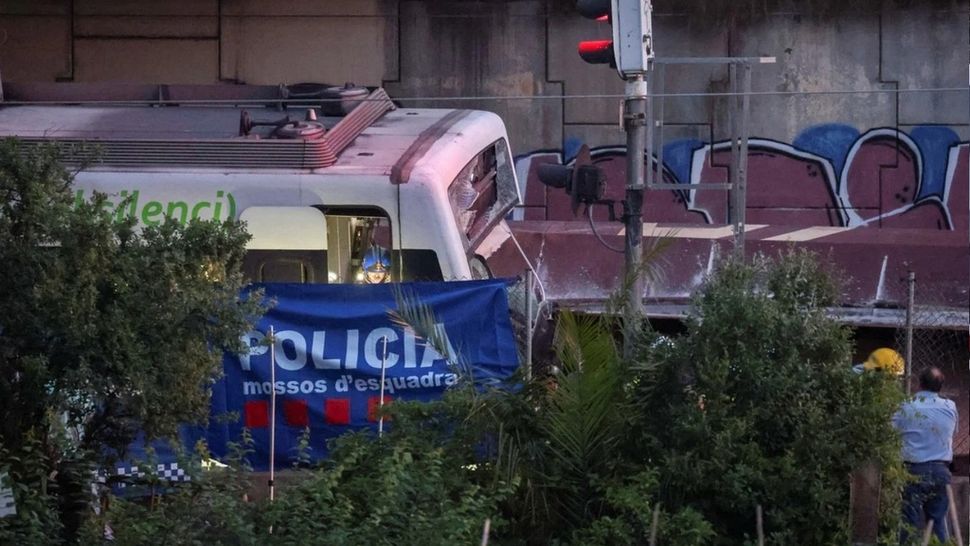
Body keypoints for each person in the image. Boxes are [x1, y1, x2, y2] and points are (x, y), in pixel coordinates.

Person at [892, 366, 958, 543]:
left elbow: (891, 432)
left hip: (913, 470)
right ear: (941, 386)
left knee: (908, 521)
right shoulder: (950, 407)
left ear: (918, 384)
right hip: (940, 471)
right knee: (937, 521)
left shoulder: (906, 406)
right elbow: (953, 432)